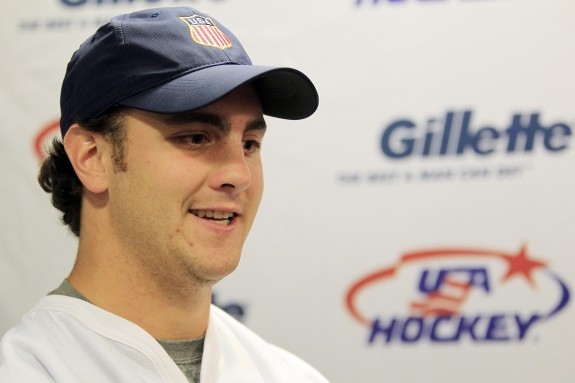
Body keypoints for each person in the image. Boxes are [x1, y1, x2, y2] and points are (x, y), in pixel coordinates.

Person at [0, 6, 326, 382]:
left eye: (250, 143)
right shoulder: (27, 371)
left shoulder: (290, 375)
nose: (239, 174)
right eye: (196, 137)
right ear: (92, 158)